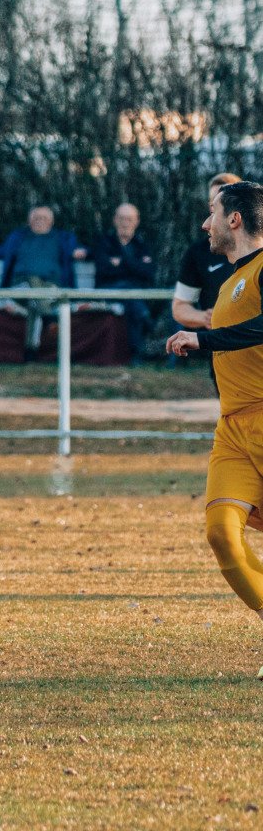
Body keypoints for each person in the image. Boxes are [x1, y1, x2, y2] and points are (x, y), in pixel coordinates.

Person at [164, 181, 263, 660]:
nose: (206, 224)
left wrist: (203, 339)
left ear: (234, 219)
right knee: (221, 532)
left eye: (212, 213)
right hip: (232, 428)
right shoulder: (227, 283)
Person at [0, 203, 86, 359]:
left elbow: (83, 250)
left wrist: (82, 252)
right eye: (36, 217)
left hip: (52, 289)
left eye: (44, 218)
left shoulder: (63, 238)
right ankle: (49, 319)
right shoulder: (18, 238)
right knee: (32, 280)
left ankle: (30, 350)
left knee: (34, 301)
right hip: (20, 288)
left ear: (51, 222)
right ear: (29, 220)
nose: (40, 221)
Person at [172, 174, 245, 373]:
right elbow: (180, 307)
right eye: (214, 206)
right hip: (221, 354)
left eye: (226, 203)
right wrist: (206, 318)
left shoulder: (256, 254)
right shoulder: (198, 252)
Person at [90, 202, 156, 363]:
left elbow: (148, 271)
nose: (125, 223)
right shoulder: (103, 242)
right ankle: (138, 348)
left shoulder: (142, 245)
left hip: (135, 294)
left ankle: (136, 348)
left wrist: (121, 262)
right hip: (107, 290)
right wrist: (135, 265)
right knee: (130, 291)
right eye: (121, 219)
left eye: (129, 219)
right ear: (114, 220)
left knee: (131, 296)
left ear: (136, 221)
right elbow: (104, 270)